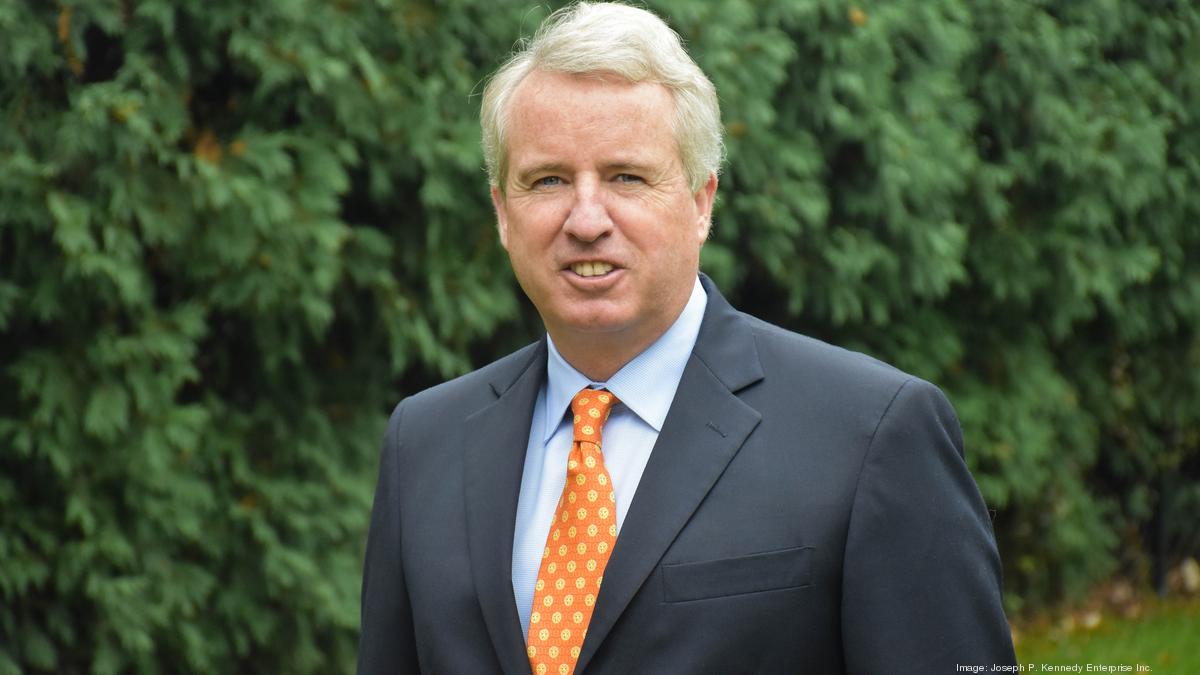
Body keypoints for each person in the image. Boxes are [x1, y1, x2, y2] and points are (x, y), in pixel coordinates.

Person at [357, 3, 1017, 673]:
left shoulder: (871, 435)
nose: (586, 220)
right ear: (503, 212)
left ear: (702, 201)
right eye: (548, 180)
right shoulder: (424, 443)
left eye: (627, 177)